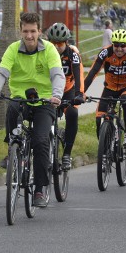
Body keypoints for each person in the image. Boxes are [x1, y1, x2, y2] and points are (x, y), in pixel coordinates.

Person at [0, 12, 65, 208]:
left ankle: (39, 189)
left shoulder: (49, 50)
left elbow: (57, 75)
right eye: (25, 31)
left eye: (33, 31)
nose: (29, 36)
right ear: (20, 31)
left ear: (39, 31)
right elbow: (1, 72)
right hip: (21, 98)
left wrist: (56, 95)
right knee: (12, 106)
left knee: (40, 141)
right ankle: (12, 146)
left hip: (45, 101)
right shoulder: (13, 49)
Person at [84, 29, 126, 148]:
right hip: (110, 87)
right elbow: (92, 72)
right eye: (116, 45)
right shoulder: (105, 53)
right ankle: (104, 149)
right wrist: (81, 92)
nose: (119, 48)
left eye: (123, 45)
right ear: (112, 44)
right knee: (99, 118)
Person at [45, 23, 85, 169]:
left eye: (60, 43)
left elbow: (79, 74)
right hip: (48, 90)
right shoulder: (43, 52)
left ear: (66, 42)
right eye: (53, 43)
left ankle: (67, 154)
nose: (56, 47)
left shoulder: (72, 54)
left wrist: (80, 94)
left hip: (68, 89)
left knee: (73, 114)